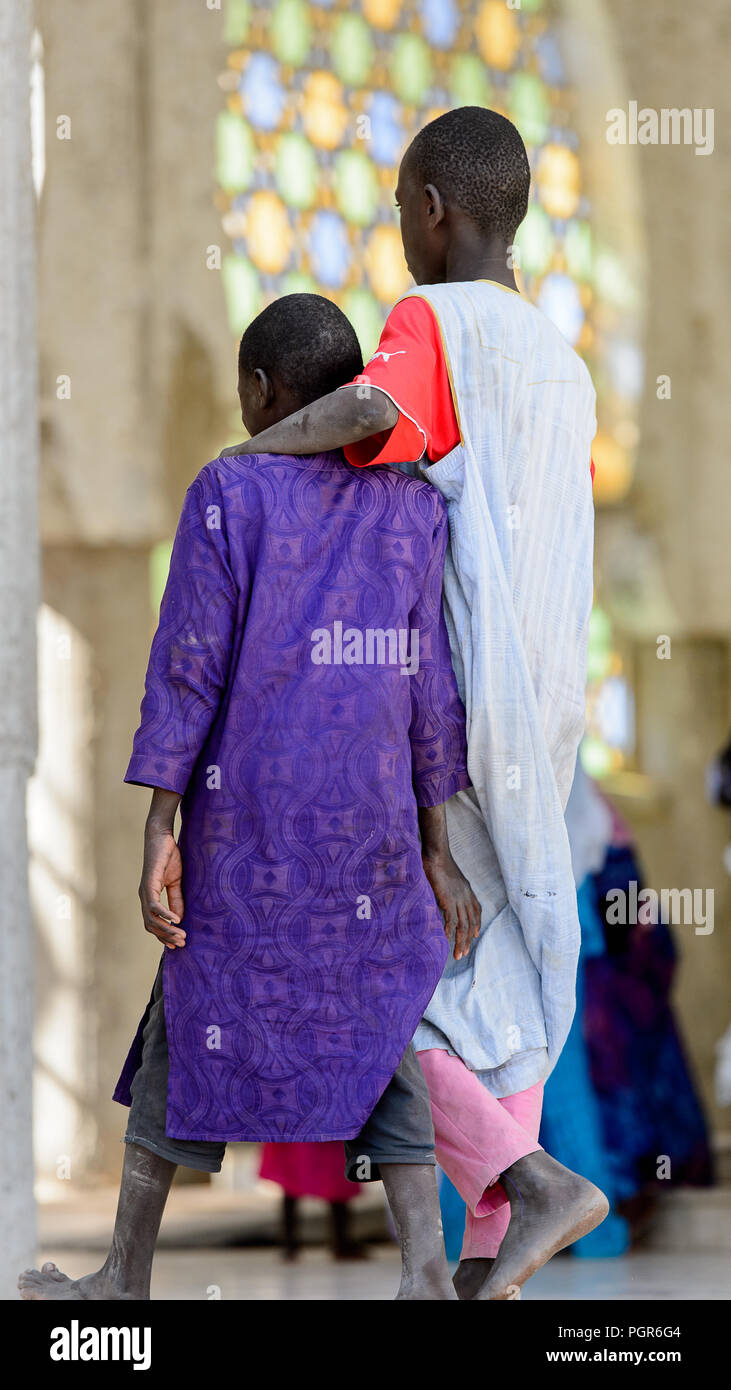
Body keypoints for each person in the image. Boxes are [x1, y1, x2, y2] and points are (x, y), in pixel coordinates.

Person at [18, 293, 480, 1303]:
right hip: (371, 832)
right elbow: (428, 688)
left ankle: (124, 1276)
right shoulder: (412, 503)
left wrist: (158, 826)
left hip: (248, 828)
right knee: (378, 1032)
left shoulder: (230, 489)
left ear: (262, 391)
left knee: (188, 1017)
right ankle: (423, 1271)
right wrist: (435, 847)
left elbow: (189, 668)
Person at [218, 107, 609, 1299]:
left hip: (455, 698)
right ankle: (497, 1253)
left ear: (432, 208)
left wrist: (256, 455)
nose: (396, 228)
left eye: (394, 206)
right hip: (548, 707)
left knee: (374, 987)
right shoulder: (564, 363)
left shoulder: (431, 320)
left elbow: (374, 417)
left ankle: (526, 1181)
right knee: (518, 964)